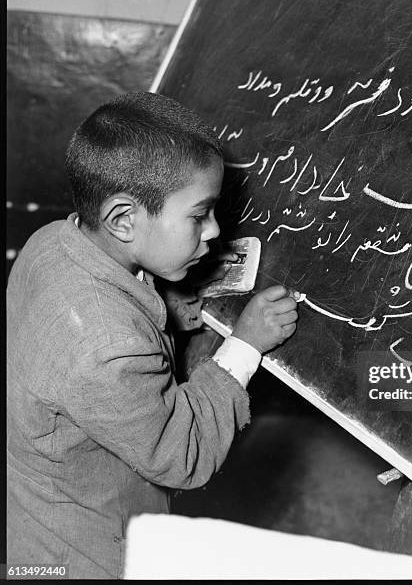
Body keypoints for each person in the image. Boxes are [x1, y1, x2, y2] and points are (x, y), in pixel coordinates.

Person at [6, 91, 299, 579]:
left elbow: (100, 311)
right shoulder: (105, 348)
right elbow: (181, 455)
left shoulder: (51, 241)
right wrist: (244, 345)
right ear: (123, 220)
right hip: (87, 555)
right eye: (199, 214)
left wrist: (159, 307)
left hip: (36, 514)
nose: (214, 231)